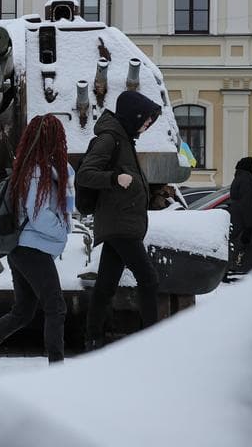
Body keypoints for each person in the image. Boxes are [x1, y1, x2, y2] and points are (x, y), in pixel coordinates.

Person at [0, 113, 76, 373]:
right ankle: (58, 369)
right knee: (56, 307)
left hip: (22, 250)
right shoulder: (37, 172)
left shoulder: (37, 168)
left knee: (22, 312)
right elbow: (38, 214)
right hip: (32, 250)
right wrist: (63, 231)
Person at [76, 90, 164, 351]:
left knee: (105, 286)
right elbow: (85, 174)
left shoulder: (125, 140)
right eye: (145, 120)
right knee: (148, 279)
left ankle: (93, 340)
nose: (147, 125)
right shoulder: (110, 139)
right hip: (119, 226)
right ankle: (152, 342)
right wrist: (114, 178)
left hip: (122, 225)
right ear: (133, 115)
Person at [224, 156, 252, 272]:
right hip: (248, 221)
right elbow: (247, 204)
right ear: (249, 167)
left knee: (241, 248)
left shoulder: (241, 178)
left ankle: (240, 268)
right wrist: (249, 227)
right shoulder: (247, 180)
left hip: (240, 219)